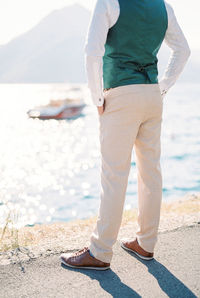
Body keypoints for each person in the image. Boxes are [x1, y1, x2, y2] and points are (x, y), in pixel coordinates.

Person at [60, 0, 190, 270]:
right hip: (152, 94)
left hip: (120, 93)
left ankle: (100, 252)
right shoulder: (163, 7)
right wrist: (162, 86)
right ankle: (146, 243)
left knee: (114, 175)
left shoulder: (109, 2)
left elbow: (92, 51)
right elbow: (183, 51)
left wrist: (97, 98)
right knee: (150, 171)